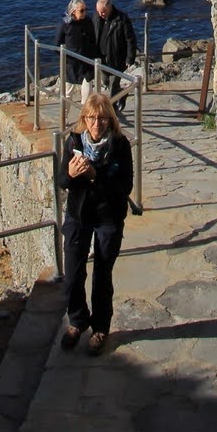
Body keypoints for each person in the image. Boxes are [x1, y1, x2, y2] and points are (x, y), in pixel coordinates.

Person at [58, 91, 133, 356]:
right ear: (84, 119)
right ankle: (77, 320)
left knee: (102, 275)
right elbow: (62, 181)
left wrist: (94, 176)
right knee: (72, 273)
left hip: (107, 217)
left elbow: (125, 187)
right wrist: (70, 173)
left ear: (110, 120)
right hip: (78, 215)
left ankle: (100, 327)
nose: (96, 124)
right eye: (91, 118)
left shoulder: (120, 146)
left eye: (102, 118)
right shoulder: (73, 142)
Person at [94, 0, 138, 113]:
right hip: (101, 58)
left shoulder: (121, 19)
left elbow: (130, 39)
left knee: (113, 84)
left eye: (103, 12)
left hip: (116, 58)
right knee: (106, 82)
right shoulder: (96, 17)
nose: (100, 14)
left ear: (109, 8)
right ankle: (122, 94)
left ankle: (111, 111)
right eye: (98, 12)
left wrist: (130, 57)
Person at [56, 0, 97, 104]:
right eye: (82, 10)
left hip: (86, 63)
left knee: (87, 94)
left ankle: (85, 113)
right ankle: (64, 114)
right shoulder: (65, 24)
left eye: (85, 10)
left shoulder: (88, 22)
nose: (84, 13)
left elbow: (93, 40)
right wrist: (66, 59)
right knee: (67, 93)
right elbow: (57, 44)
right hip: (71, 64)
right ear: (73, 11)